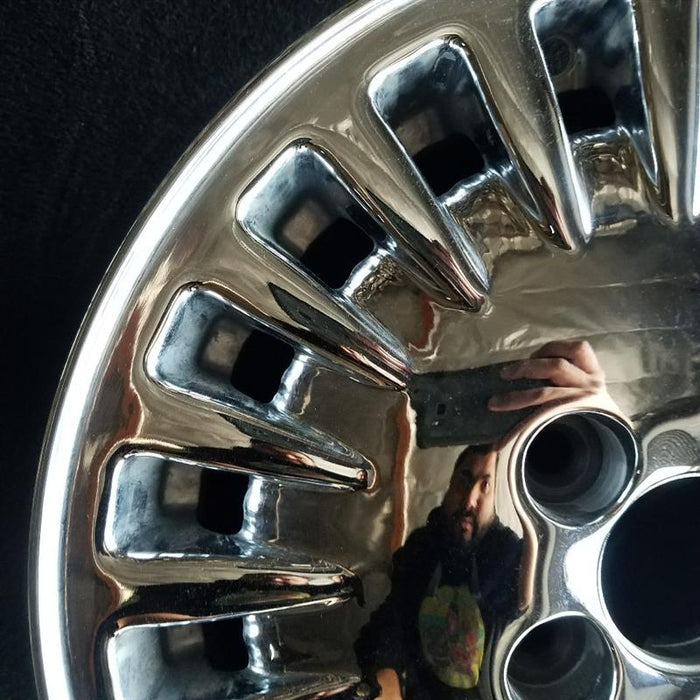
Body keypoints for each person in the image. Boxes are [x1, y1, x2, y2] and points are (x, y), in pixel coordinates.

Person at [355, 445, 522, 699]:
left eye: (485, 486)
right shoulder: (421, 549)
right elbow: (390, 626)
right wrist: (385, 675)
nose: (469, 500)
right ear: (451, 484)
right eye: (464, 480)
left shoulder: (510, 559)